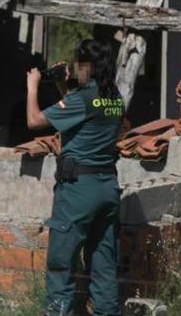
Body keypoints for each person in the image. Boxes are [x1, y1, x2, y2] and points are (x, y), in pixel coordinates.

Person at [26, 39, 125, 316]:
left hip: (77, 193)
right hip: (107, 189)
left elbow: (34, 121)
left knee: (61, 265)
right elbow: (81, 117)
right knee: (104, 266)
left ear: (88, 66)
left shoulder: (81, 100)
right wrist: (63, 85)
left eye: (78, 64)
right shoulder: (115, 99)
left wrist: (32, 86)